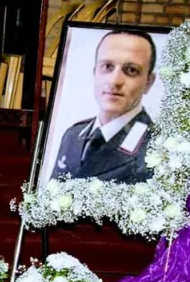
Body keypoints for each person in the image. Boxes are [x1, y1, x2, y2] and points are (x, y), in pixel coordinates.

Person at [50, 29, 157, 184]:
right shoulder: (73, 136)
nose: (114, 81)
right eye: (107, 66)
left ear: (148, 82)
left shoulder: (157, 149)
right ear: (95, 73)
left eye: (131, 70)